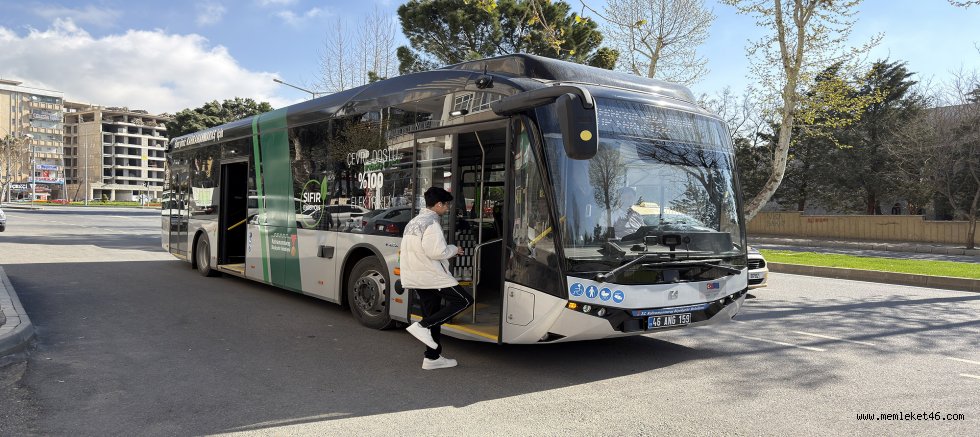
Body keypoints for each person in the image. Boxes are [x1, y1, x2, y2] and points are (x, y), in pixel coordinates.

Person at [402, 187, 474, 370]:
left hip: (417, 275)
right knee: (464, 300)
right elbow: (437, 252)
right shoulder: (432, 223)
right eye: (446, 205)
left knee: (432, 313)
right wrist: (454, 249)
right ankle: (422, 326)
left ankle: (432, 357)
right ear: (439, 204)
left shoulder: (414, 222)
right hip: (431, 276)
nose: (448, 208)